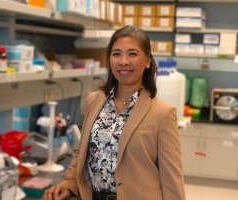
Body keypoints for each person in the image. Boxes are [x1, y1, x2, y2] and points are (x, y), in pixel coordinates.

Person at [43, 25, 186, 200]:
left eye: (132, 54)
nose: (123, 61)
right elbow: (83, 152)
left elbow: (172, 177)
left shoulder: (163, 113)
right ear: (109, 59)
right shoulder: (93, 101)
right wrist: (69, 183)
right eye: (116, 53)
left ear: (148, 61)